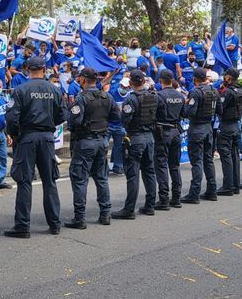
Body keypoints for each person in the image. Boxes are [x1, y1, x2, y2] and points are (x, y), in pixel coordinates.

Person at [4, 57, 66, 238]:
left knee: (24, 181)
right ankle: (54, 224)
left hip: (27, 138)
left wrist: (15, 134)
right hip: (47, 138)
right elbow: (62, 115)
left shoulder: (20, 90)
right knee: (49, 181)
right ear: (44, 69)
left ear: (27, 69)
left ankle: (22, 226)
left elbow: (11, 118)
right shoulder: (54, 90)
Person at [65, 67, 120, 229]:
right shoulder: (107, 96)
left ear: (83, 79)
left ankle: (80, 218)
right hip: (101, 141)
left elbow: (74, 121)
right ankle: (105, 214)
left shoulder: (81, 98)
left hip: (85, 142)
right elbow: (117, 116)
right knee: (101, 178)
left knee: (80, 179)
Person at [112, 70, 159, 219]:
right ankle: (150, 205)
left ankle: (129, 209)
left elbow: (125, 119)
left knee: (133, 175)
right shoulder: (153, 96)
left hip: (136, 138)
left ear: (131, 83)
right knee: (149, 171)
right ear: (144, 82)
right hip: (149, 137)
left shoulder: (131, 99)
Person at [180, 67, 219, 203]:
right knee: (208, 160)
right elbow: (219, 109)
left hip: (197, 128)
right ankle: (212, 190)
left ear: (195, 79)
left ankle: (194, 193)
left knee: (197, 161)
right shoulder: (214, 91)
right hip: (208, 127)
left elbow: (189, 113)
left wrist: (185, 105)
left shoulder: (195, 92)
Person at [153, 70, 186, 209]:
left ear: (161, 80)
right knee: (174, 165)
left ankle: (164, 199)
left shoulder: (159, 96)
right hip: (176, 131)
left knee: (161, 166)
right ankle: (176, 197)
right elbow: (184, 114)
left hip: (163, 132)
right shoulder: (180, 96)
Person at [215, 68, 242, 196]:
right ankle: (235, 185)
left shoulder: (228, 92)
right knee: (235, 155)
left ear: (229, 77)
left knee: (226, 156)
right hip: (235, 125)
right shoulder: (241, 90)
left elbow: (220, 108)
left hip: (226, 125)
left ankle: (228, 186)